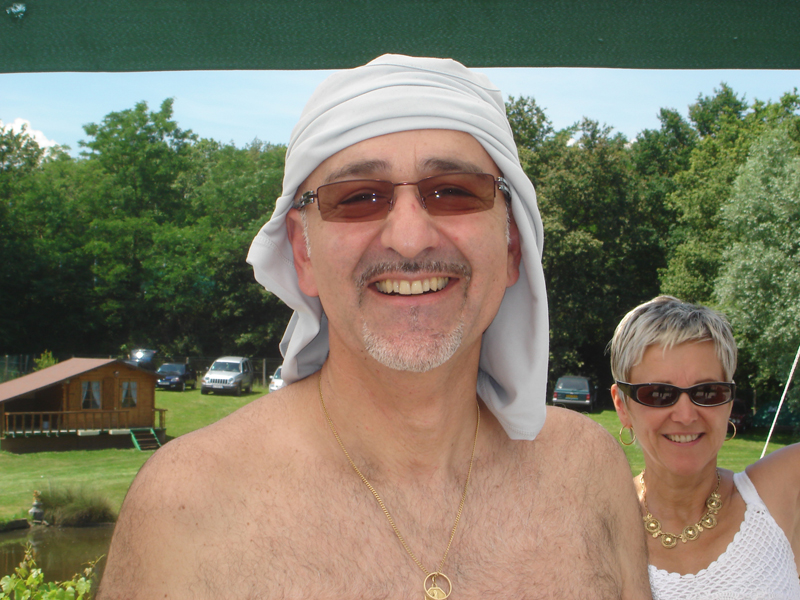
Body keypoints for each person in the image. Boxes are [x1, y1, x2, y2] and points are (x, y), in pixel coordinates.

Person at [98, 55, 651, 599]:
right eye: (359, 198)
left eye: (454, 191)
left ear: (512, 245)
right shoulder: (188, 505)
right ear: (303, 252)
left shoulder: (588, 472)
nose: (410, 239)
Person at [609, 295, 800, 599]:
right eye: (659, 394)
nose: (686, 416)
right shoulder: (598, 532)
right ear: (622, 405)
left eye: (708, 392)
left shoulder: (781, 494)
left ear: (729, 402)